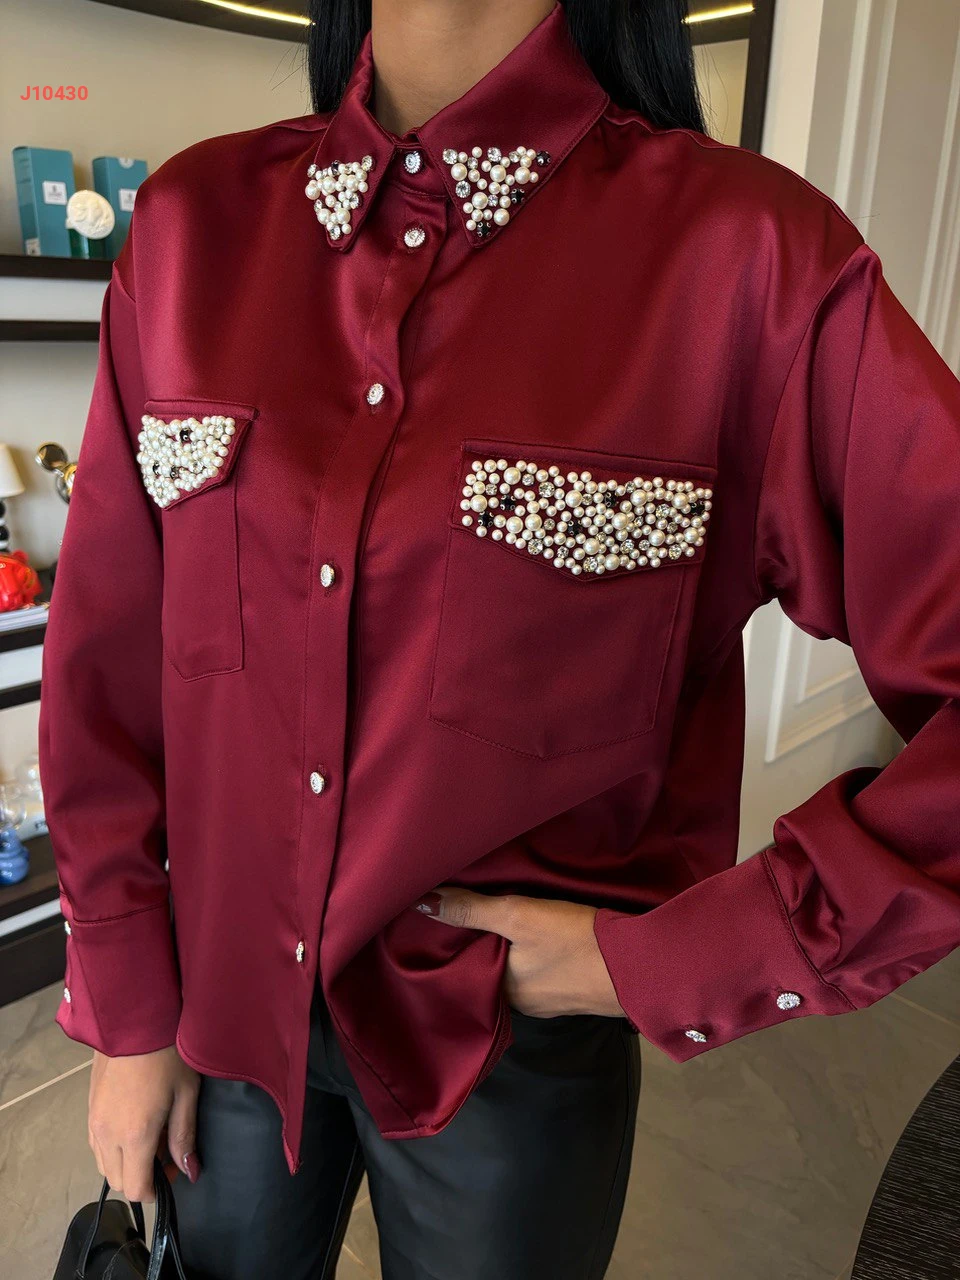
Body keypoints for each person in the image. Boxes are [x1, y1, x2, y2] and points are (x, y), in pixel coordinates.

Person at [37, 1, 960, 1277]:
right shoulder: (195, 229)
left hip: (508, 1045)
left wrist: (679, 955)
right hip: (219, 1002)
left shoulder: (747, 260)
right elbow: (104, 658)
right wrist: (127, 1004)